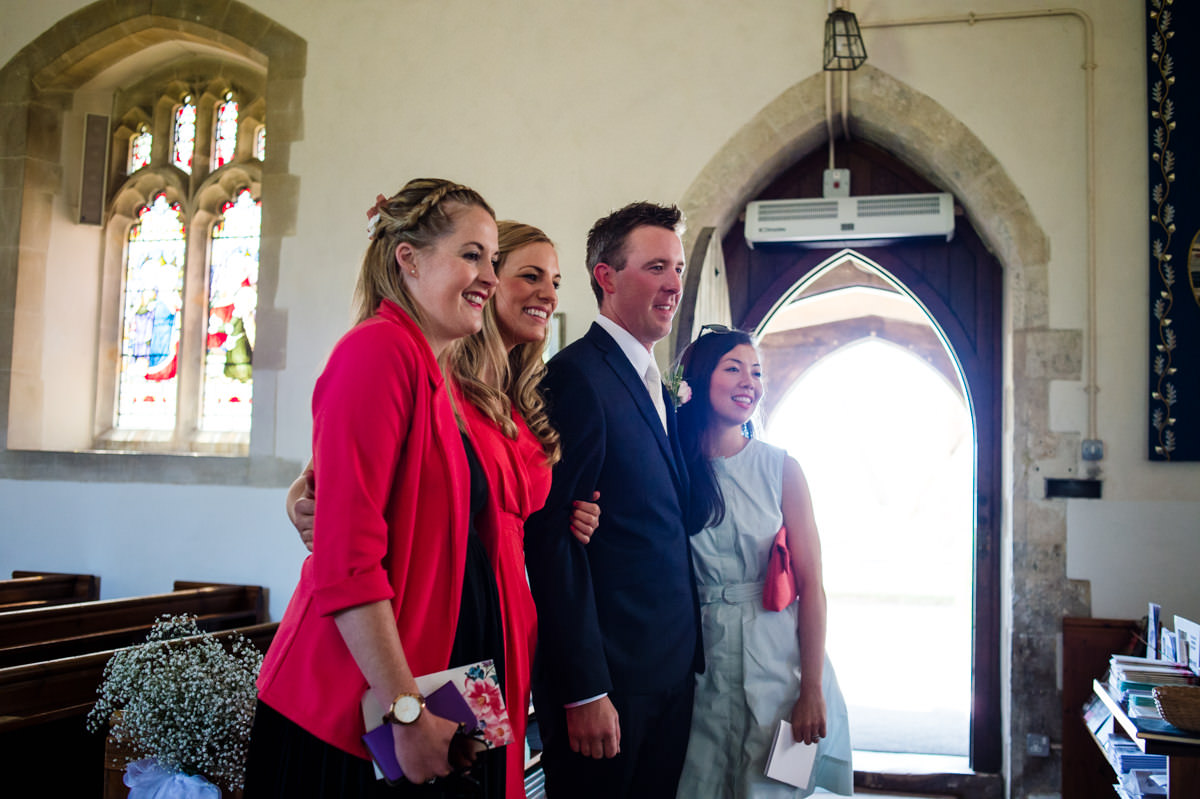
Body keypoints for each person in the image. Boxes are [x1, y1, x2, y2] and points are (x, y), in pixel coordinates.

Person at [285, 220, 602, 799]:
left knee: (481, 780)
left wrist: (571, 514)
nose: (547, 294)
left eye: (554, 281)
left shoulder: (520, 400)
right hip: (442, 613)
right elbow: (339, 483)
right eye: (527, 275)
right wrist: (302, 501)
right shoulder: (430, 373)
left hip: (505, 617)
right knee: (438, 776)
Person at [245, 178, 505, 798]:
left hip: (417, 692)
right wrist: (404, 711)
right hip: (351, 712)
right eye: (472, 254)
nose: (490, 277)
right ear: (407, 258)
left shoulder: (431, 370)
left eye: (492, 259)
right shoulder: (379, 351)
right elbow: (348, 557)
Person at [523, 202, 702, 798]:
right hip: (612, 680)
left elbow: (678, 514)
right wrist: (585, 688)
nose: (674, 282)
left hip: (666, 670)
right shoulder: (577, 377)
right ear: (607, 276)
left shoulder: (654, 381)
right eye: (656, 266)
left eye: (676, 267)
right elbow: (553, 542)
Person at [670, 327, 854, 797]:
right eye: (733, 368)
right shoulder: (672, 468)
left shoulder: (781, 468)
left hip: (781, 660)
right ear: (696, 380)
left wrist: (810, 688)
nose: (749, 381)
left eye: (756, 372)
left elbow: (812, 586)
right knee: (701, 783)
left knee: (776, 787)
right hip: (701, 658)